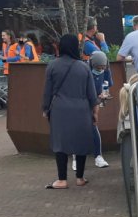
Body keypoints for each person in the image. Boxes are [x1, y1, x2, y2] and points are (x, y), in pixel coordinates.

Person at [42, 34, 99, 189]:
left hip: (59, 109)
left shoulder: (53, 66)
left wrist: (45, 109)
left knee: (60, 143)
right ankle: (80, 178)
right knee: (80, 141)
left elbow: (47, 92)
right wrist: (95, 113)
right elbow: (92, 95)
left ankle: (62, 180)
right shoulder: (84, 67)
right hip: (81, 109)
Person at [88, 51, 111, 168]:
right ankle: (76, 157)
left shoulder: (106, 70)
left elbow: (107, 85)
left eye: (103, 67)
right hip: (83, 101)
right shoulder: (86, 71)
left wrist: (104, 94)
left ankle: (98, 156)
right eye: (98, 67)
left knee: (94, 125)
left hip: (97, 100)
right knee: (78, 128)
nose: (101, 69)